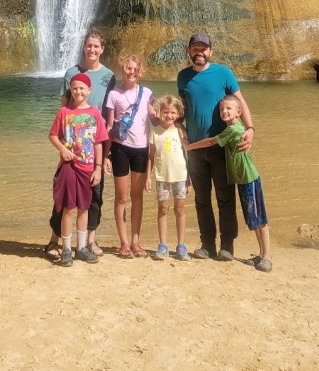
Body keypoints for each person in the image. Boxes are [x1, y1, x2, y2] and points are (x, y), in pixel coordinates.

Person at [176, 32, 255, 261]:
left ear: (210, 51)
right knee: (201, 199)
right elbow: (182, 109)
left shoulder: (223, 73)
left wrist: (250, 129)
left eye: (203, 48)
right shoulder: (183, 77)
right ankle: (207, 244)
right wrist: (179, 128)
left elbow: (241, 102)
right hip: (195, 149)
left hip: (222, 147)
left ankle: (227, 245)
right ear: (189, 51)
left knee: (225, 197)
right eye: (195, 48)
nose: (199, 52)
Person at [45, 28, 115, 259]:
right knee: (64, 198)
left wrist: (103, 157)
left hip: (94, 142)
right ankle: (55, 241)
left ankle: (88, 243)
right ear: (84, 47)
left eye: (96, 46)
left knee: (93, 196)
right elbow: (63, 108)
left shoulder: (109, 76)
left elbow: (110, 109)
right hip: (71, 146)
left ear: (102, 49)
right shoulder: (71, 72)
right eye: (89, 45)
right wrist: (63, 148)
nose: (92, 49)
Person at [186, 94, 272, 271]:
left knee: (259, 219)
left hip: (249, 178)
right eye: (221, 109)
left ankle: (267, 257)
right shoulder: (234, 128)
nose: (224, 111)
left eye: (228, 109)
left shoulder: (233, 129)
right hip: (242, 180)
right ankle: (261, 254)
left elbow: (210, 141)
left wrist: (188, 146)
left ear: (239, 112)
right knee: (253, 218)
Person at [48, 73, 109, 267]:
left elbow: (99, 143)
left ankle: (81, 248)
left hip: (88, 167)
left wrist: (98, 168)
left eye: (82, 88)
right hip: (69, 167)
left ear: (89, 90)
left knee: (84, 208)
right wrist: (63, 149)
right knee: (68, 208)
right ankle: (66, 249)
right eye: (74, 88)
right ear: (70, 90)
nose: (78, 91)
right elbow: (52, 135)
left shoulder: (95, 114)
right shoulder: (64, 112)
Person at [104, 54, 154, 258]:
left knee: (137, 197)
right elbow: (109, 126)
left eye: (135, 69)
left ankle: (136, 242)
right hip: (120, 149)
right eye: (128, 68)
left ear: (140, 71)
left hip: (141, 149)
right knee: (122, 197)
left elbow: (155, 117)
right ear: (122, 70)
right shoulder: (114, 95)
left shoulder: (148, 93)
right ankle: (124, 243)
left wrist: (176, 125)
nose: (131, 72)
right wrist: (105, 156)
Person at [146, 94, 190, 261]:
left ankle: (181, 245)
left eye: (173, 112)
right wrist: (148, 177)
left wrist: (189, 179)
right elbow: (151, 155)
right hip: (161, 177)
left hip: (180, 176)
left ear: (178, 113)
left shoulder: (180, 131)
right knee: (162, 209)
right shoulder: (155, 132)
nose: (169, 115)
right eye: (166, 112)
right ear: (159, 112)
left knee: (180, 209)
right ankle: (163, 244)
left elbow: (187, 156)